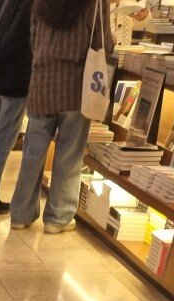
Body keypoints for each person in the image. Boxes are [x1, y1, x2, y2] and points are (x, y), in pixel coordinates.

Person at [10, 0, 111, 233]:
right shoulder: (96, 2)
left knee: (32, 154)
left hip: (42, 82)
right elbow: (103, 42)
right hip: (75, 87)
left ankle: (20, 214)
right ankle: (58, 217)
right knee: (69, 154)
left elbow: (33, 38)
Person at [0, 0, 33, 215]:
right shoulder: (27, 4)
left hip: (0, 77)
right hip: (15, 79)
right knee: (3, 141)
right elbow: (17, 37)